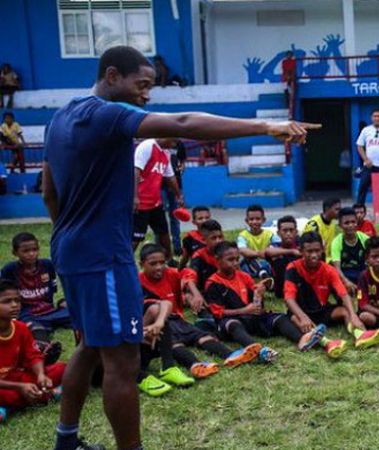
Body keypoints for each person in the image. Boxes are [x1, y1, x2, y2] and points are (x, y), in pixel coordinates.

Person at [41, 45, 318, 450]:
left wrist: (72, 231)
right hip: (102, 256)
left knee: (88, 346)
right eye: (142, 85)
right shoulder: (106, 114)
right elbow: (186, 121)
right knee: (122, 360)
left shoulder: (61, 117)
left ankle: (66, 441)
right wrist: (266, 128)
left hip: (70, 248)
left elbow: (49, 191)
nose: (147, 95)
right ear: (113, 75)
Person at [138, 244, 257, 377]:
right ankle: (194, 365)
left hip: (178, 319)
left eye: (162, 262)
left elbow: (188, 274)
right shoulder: (137, 282)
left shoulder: (171, 273)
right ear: (142, 264)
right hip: (157, 322)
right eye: (153, 264)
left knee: (201, 336)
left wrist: (195, 293)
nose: (159, 267)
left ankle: (230, 355)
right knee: (174, 343)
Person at [206, 241, 322, 361]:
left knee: (280, 317)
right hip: (231, 323)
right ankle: (258, 350)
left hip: (251, 318)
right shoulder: (213, 283)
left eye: (237, 259)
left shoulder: (244, 276)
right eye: (230, 260)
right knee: (232, 324)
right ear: (217, 260)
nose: (235, 263)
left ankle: (302, 340)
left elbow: (257, 306)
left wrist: (259, 295)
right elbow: (218, 313)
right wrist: (244, 310)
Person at [284, 232, 379, 358]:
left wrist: (353, 315)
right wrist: (303, 317)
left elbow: (343, 294)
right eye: (309, 251)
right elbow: (289, 298)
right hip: (301, 312)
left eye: (317, 250)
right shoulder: (293, 268)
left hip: (322, 311)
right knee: (296, 319)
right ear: (300, 250)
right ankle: (328, 343)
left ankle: (360, 335)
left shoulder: (329, 270)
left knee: (344, 311)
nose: (314, 255)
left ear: (322, 249)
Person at [0, 280, 66, 423]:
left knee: (62, 369)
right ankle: (48, 395)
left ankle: (10, 407)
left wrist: (41, 375)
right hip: (6, 386)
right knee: (11, 395)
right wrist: (20, 387)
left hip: (16, 377)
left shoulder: (21, 328)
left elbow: (32, 356)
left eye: (17, 300)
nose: (14, 305)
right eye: (7, 301)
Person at [1, 233, 69, 360]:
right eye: (26, 251)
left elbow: (52, 290)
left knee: (78, 314)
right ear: (15, 252)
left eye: (34, 249)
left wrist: (60, 303)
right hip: (28, 314)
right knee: (34, 328)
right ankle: (45, 349)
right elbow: (6, 295)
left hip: (49, 310)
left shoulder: (47, 265)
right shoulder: (9, 270)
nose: (31, 254)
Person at [132, 138, 183, 259]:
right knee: (136, 237)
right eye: (173, 140)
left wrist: (178, 196)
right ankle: (124, 263)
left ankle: (170, 260)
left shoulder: (166, 153)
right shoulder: (147, 146)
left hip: (155, 202)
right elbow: (136, 170)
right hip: (141, 202)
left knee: (164, 233)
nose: (174, 144)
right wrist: (135, 197)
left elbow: (170, 177)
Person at [330, 207, 370, 294]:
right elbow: (337, 268)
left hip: (361, 274)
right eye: (346, 223)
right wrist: (346, 282)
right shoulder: (337, 242)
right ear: (340, 225)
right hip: (345, 275)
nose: (350, 225)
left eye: (353, 222)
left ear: (357, 223)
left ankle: (360, 293)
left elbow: (374, 257)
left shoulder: (364, 238)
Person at [267, 215, 302, 299]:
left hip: (300, 291)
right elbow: (267, 252)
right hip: (281, 292)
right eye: (285, 230)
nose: (288, 233)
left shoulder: (301, 246)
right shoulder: (274, 247)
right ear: (278, 233)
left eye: (291, 230)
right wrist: (292, 251)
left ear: (296, 232)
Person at [236, 204, 275, 280]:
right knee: (247, 259)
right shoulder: (243, 235)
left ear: (263, 220)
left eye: (258, 219)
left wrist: (270, 251)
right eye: (251, 219)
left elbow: (277, 246)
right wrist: (259, 254)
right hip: (251, 263)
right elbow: (242, 249)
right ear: (246, 221)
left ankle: (264, 273)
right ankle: (263, 274)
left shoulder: (269, 234)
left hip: (266, 261)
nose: (254, 222)